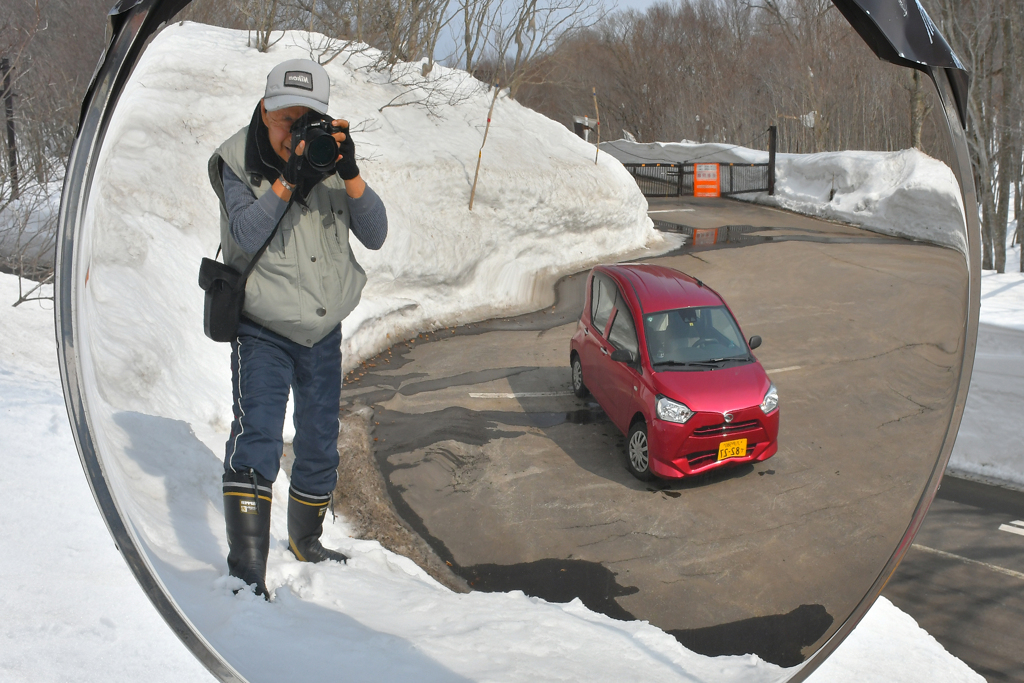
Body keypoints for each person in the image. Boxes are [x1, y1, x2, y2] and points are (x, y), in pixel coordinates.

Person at [207, 59, 387, 598]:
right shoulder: (235, 160)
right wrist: (289, 181)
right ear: (265, 110)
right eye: (285, 119)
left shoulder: (328, 154)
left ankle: (306, 540)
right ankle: (246, 571)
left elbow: (375, 234)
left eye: (306, 119)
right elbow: (244, 230)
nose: (293, 132)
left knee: (319, 440)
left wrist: (349, 172)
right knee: (258, 435)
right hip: (263, 325)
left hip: (322, 328)